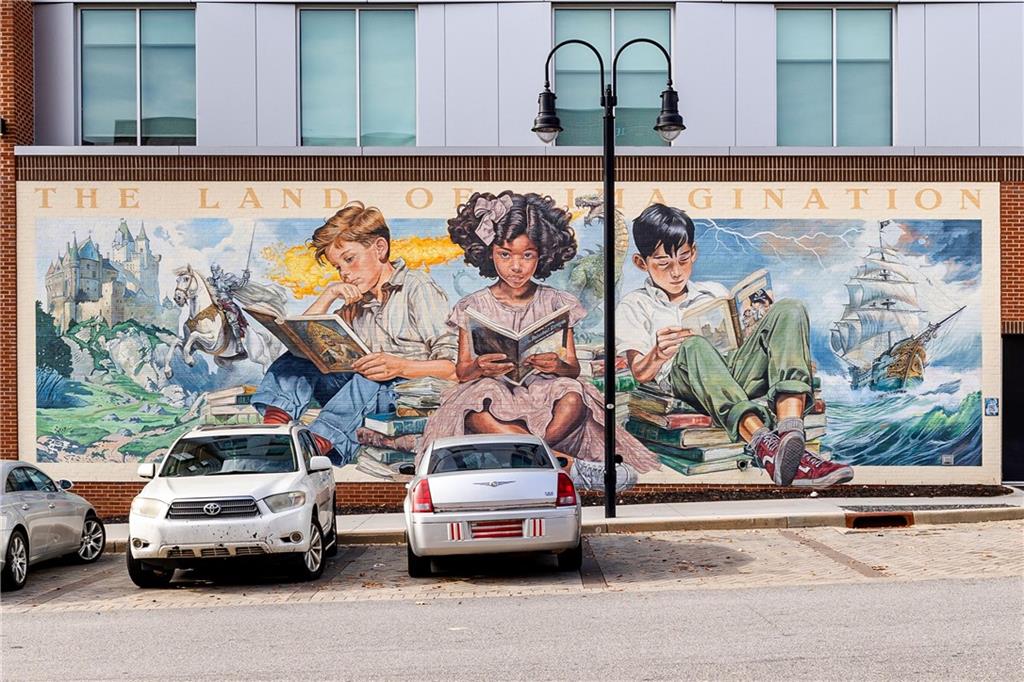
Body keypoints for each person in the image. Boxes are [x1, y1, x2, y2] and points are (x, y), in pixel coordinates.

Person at [420, 191, 660, 492]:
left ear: (543, 255)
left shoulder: (557, 301)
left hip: (542, 387)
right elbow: (462, 371)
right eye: (505, 254)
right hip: (494, 388)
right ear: (488, 253)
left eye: (527, 255)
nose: (516, 266)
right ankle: (565, 464)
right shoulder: (473, 306)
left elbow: (572, 368)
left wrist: (557, 365)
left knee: (574, 396)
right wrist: (480, 366)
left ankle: (531, 455)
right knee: (475, 410)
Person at [615, 203, 853, 488]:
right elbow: (639, 372)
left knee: (790, 309)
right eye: (663, 263)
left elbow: (739, 340)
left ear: (694, 252)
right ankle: (765, 445)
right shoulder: (635, 304)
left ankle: (791, 434)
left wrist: (767, 331)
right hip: (686, 382)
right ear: (641, 263)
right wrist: (657, 353)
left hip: (732, 371)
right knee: (694, 345)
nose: (676, 272)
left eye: (684, 258)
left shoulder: (714, 292)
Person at [252, 202, 457, 465]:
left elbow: (453, 369)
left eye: (349, 260)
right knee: (301, 355)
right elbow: (304, 338)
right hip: (356, 392)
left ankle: (315, 445)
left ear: (380, 248)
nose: (345, 273)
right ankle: (275, 429)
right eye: (338, 267)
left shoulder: (418, 288)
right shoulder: (356, 301)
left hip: (406, 394)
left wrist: (399, 366)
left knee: (370, 377)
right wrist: (328, 295)